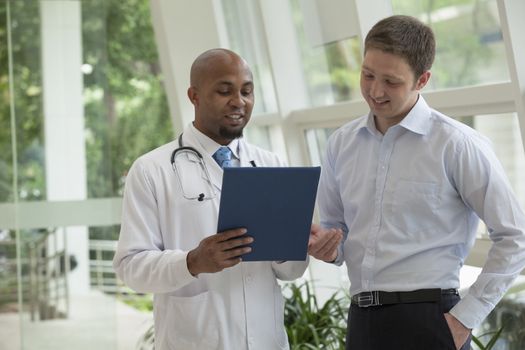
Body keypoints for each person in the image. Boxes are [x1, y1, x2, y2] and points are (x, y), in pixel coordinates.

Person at [309, 15, 525, 350]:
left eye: (391, 82)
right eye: (367, 75)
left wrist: (465, 318)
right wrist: (328, 245)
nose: (375, 91)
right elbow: (338, 232)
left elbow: (515, 235)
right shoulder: (341, 143)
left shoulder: (456, 144)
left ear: (422, 80)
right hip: (362, 321)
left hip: (431, 321)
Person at [113, 48, 332, 350]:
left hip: (267, 341)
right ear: (194, 95)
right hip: (194, 340)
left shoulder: (271, 165)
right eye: (224, 90)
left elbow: (289, 272)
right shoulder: (152, 169)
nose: (238, 102)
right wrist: (192, 262)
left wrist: (295, 246)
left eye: (247, 91)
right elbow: (131, 267)